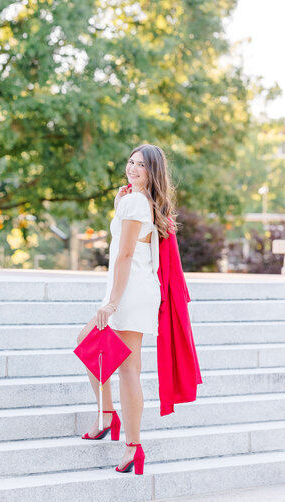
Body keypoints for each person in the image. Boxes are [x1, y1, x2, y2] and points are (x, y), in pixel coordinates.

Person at [76, 144, 179, 475]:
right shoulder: (138, 200)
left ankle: (130, 441)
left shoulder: (136, 202)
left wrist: (112, 303)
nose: (133, 168)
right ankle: (110, 418)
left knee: (123, 366)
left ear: (153, 172)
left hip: (130, 292)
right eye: (130, 162)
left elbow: (124, 255)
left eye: (141, 165)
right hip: (135, 289)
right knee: (102, 353)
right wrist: (122, 202)